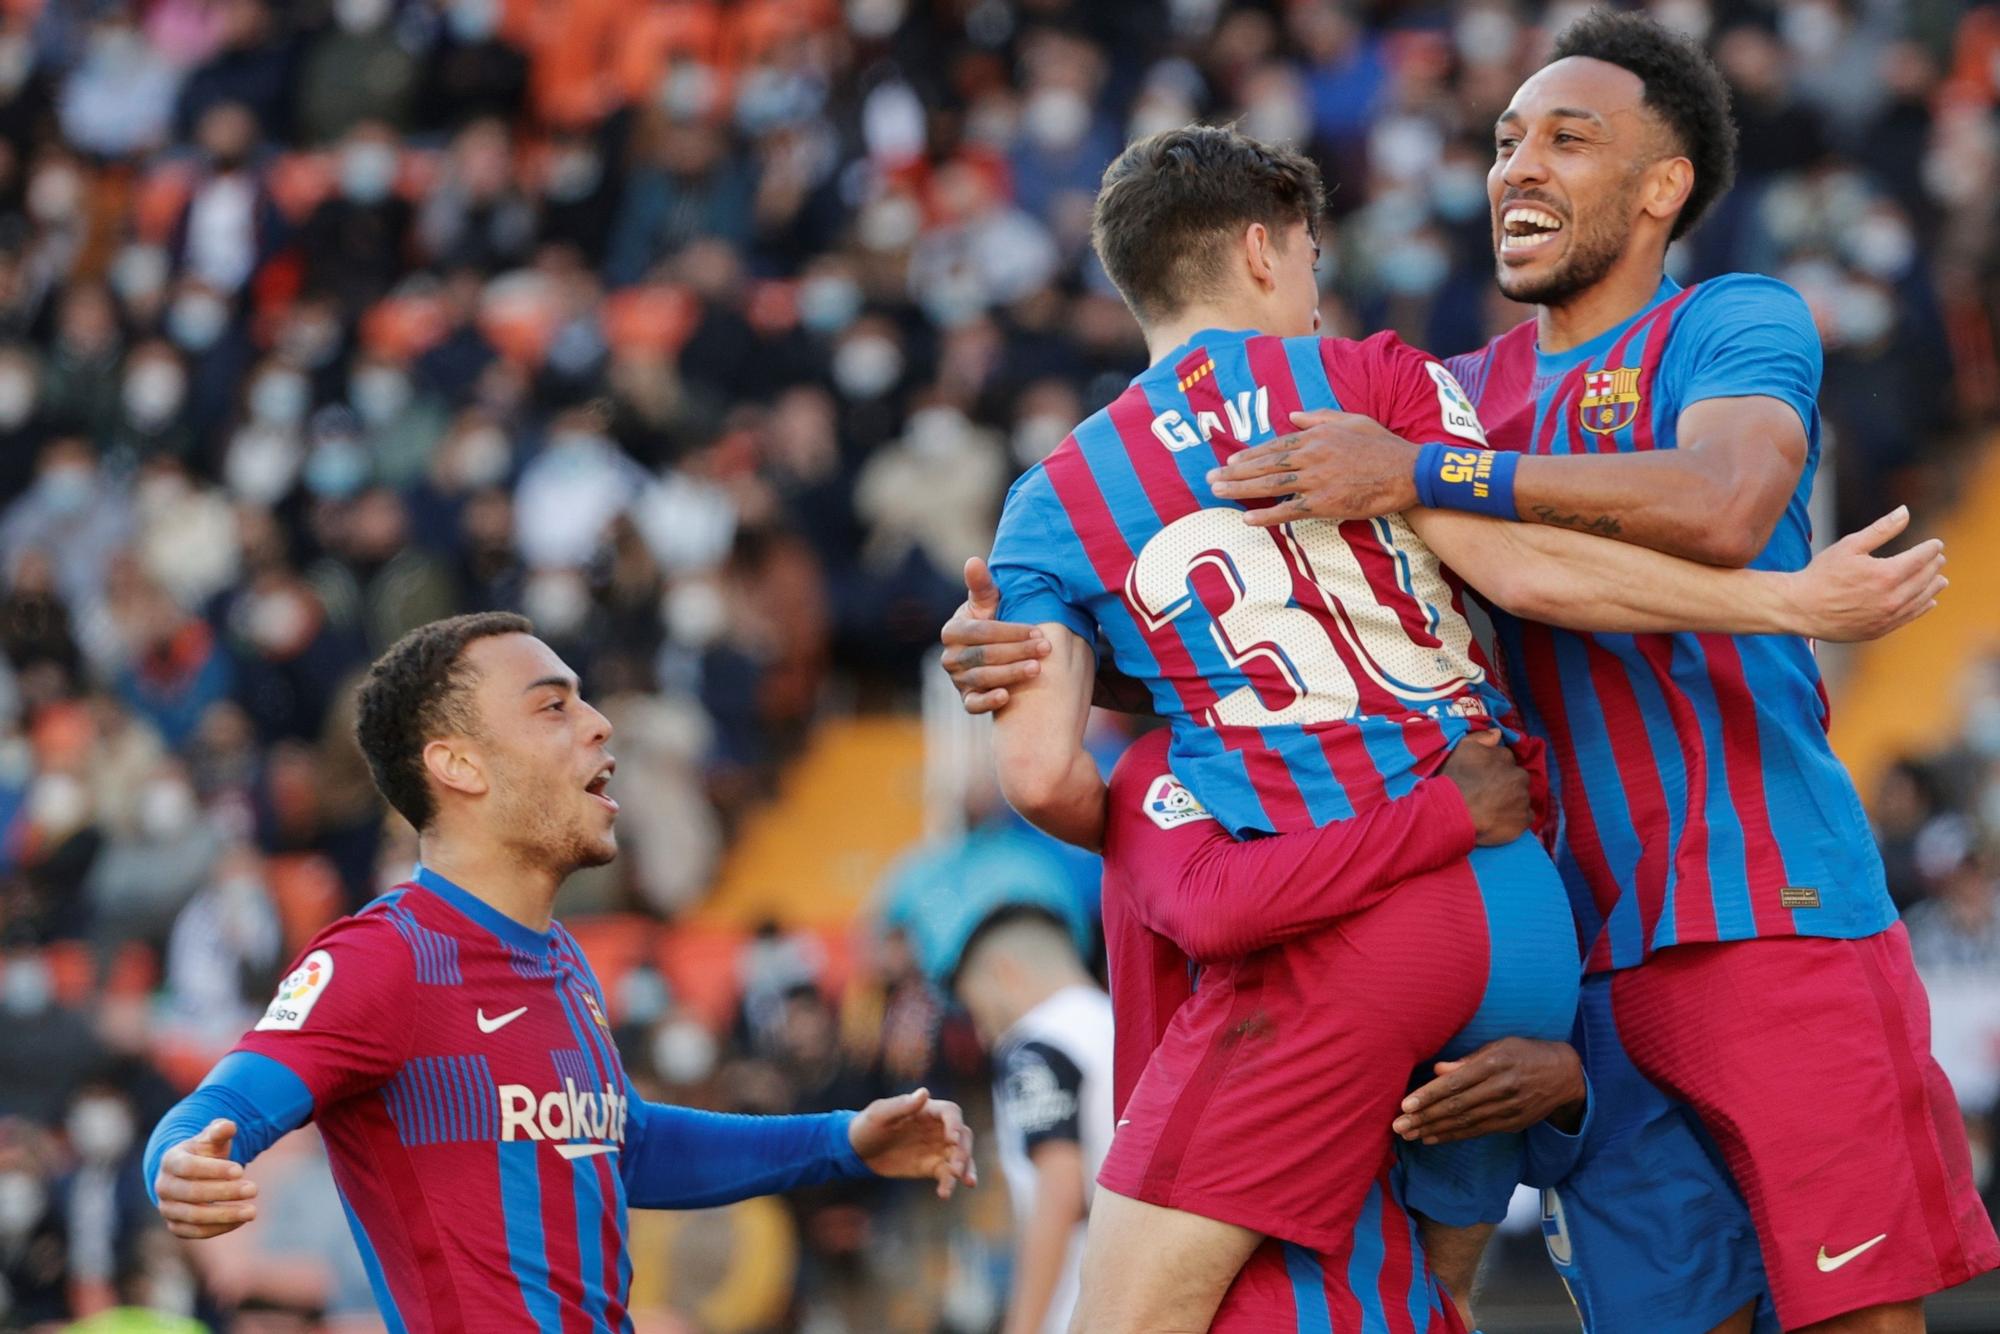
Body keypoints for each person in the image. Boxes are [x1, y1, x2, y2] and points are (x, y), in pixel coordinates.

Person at [946, 14, 1994, 1334]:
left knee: (1860, 1318)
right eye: (1503, 142)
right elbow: (1324, 638)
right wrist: (1047, 661)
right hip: (1555, 941)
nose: (1515, 167)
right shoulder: (1433, 389)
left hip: (1764, 906)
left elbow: (1724, 501)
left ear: (1664, 185)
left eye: (1566, 136)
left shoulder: (1729, 318)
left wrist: (1425, 471)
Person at [143, 612, 975, 1332]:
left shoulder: (564, 960)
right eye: (553, 705)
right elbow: (216, 1111)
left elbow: (625, 1143)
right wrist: (180, 1159)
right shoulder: (384, 957)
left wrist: (842, 1141)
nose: (599, 723)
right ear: (459, 766)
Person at [914, 889, 1111, 1334]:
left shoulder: (1036, 1046)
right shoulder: (1116, 1024)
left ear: (1005, 973)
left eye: (974, 1004)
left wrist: (1023, 1327)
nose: (981, 1033)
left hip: (1083, 1308)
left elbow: (1059, 1186)